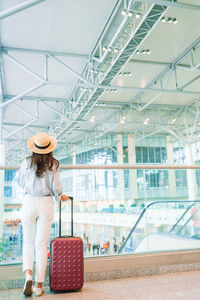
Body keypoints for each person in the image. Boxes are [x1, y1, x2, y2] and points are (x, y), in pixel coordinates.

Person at [16, 132, 70, 297]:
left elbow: (19, 181)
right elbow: (56, 188)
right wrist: (61, 196)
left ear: (34, 147)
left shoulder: (27, 162)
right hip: (46, 203)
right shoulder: (53, 164)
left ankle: (28, 275)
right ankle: (39, 286)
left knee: (28, 242)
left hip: (29, 202)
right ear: (49, 148)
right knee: (41, 245)